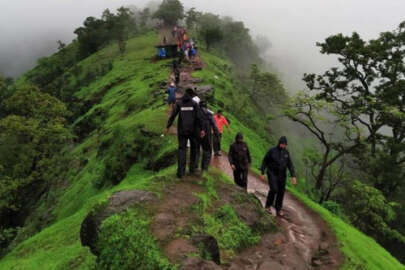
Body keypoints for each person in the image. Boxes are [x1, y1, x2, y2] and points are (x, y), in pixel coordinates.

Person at [166, 88, 204, 178]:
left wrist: (168, 126)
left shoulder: (179, 103)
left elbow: (173, 115)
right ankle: (192, 169)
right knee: (194, 149)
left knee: (182, 150)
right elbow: (199, 117)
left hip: (182, 131)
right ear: (191, 95)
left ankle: (180, 172)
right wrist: (202, 129)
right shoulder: (194, 104)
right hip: (193, 131)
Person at [260, 136, 297, 217]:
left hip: (282, 175)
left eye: (285, 145)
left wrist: (293, 176)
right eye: (283, 144)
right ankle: (267, 206)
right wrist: (262, 172)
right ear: (279, 143)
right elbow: (265, 161)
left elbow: (290, 165)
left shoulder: (286, 153)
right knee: (274, 189)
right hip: (272, 173)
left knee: (281, 192)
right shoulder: (272, 151)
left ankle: (278, 209)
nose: (284, 146)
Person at [195, 101, 220, 172]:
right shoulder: (209, 114)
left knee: (196, 149)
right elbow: (214, 126)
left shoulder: (196, 113)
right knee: (207, 150)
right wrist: (217, 135)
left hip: (197, 133)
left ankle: (194, 166)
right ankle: (204, 168)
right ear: (206, 107)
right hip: (207, 134)